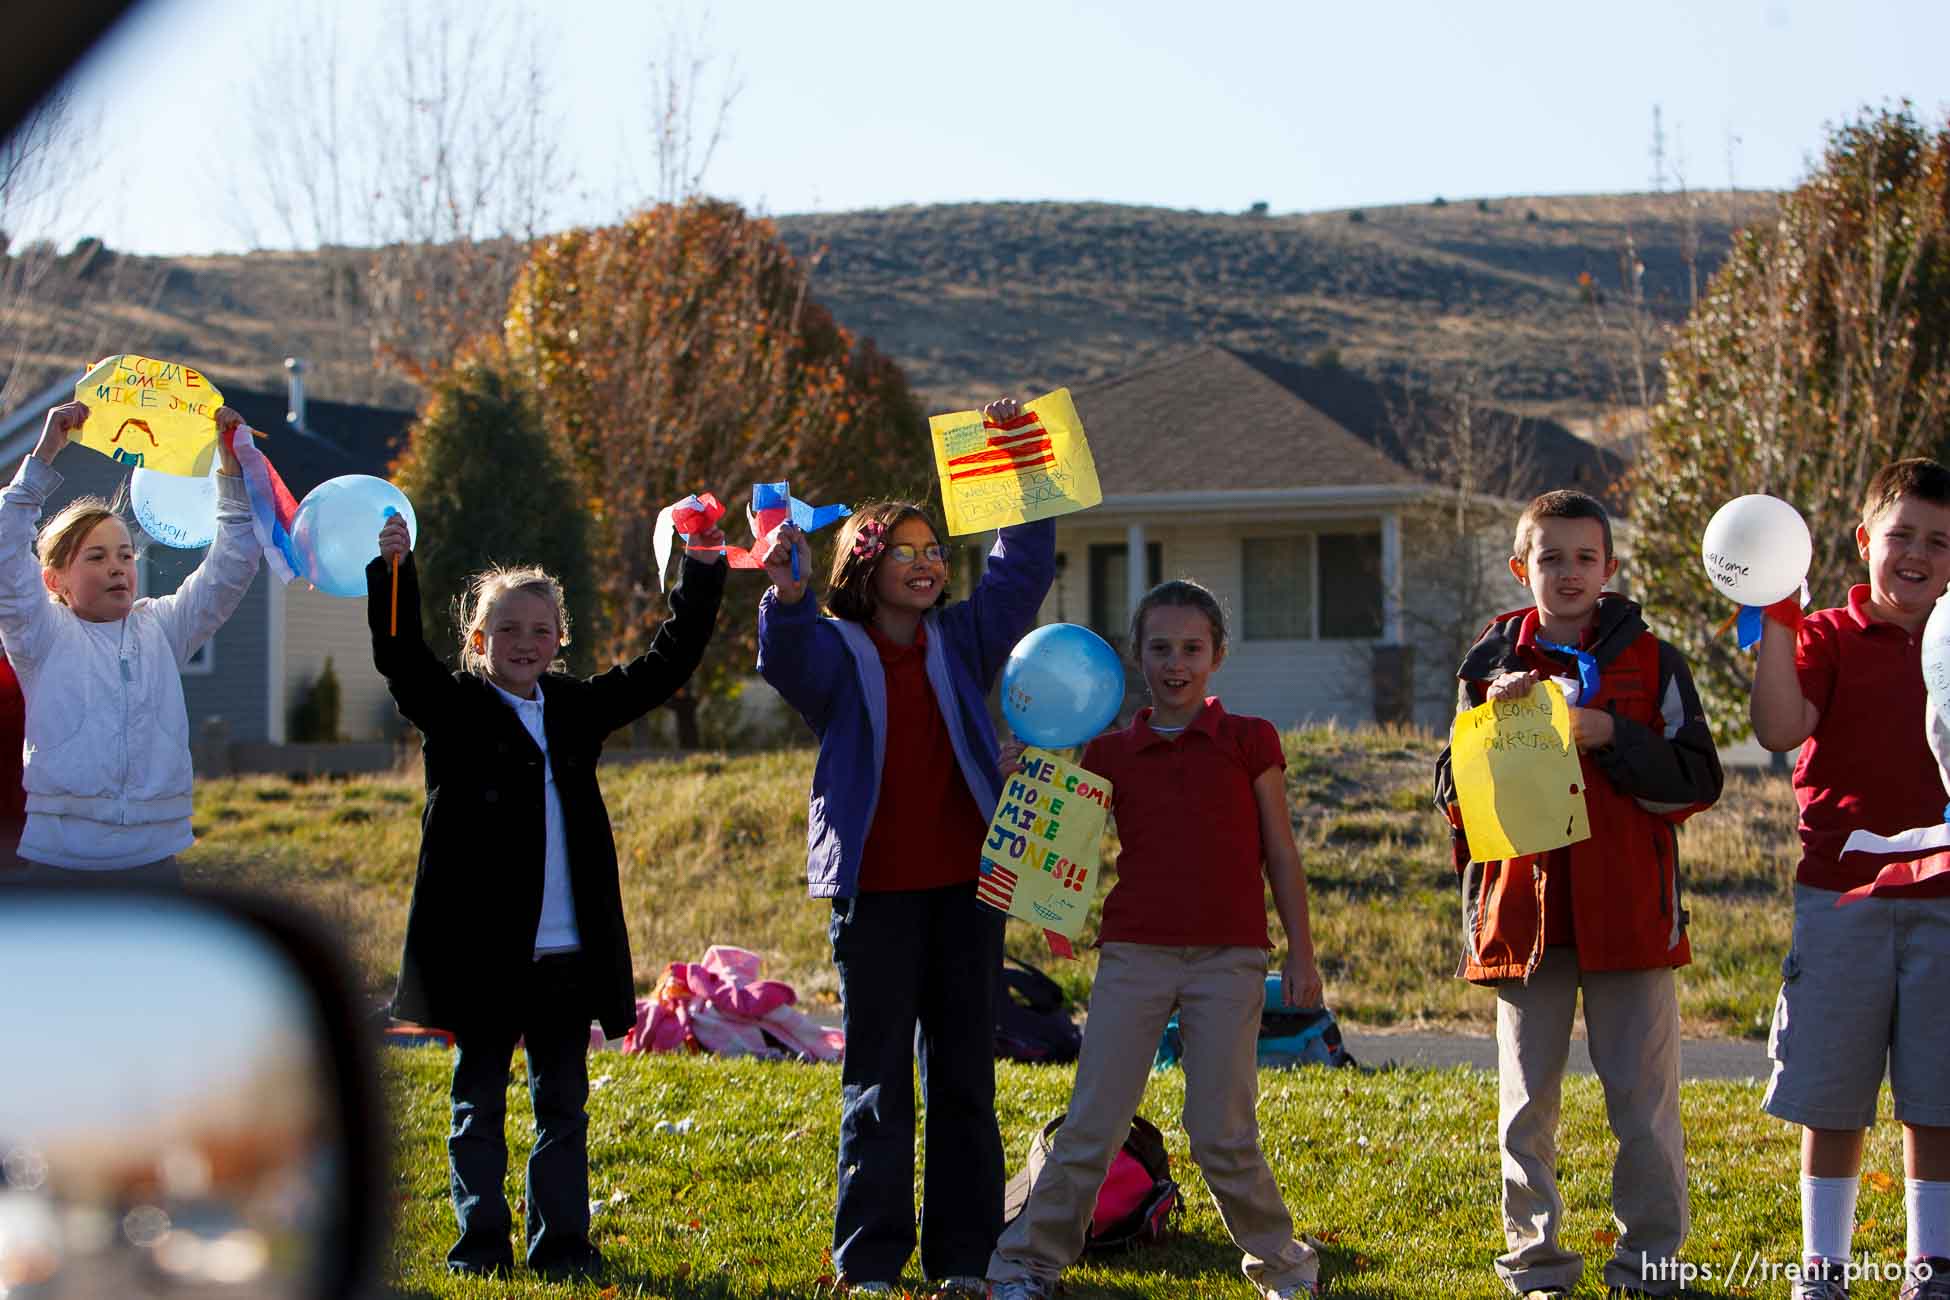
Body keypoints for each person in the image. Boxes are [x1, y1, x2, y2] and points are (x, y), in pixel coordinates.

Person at [367, 509, 726, 1281]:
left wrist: (700, 574)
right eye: (508, 629)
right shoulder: (454, 710)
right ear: (478, 640)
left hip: (568, 954)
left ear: (561, 638)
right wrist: (394, 569)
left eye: (541, 629)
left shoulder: (574, 709)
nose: (525, 642)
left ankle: (562, 1246)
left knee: (563, 1110)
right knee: (478, 1109)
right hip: (484, 957)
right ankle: (480, 1248)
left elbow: (665, 666)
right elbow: (399, 656)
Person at [755, 398, 1056, 1297]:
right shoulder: (834, 650)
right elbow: (788, 658)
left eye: (935, 552)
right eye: (905, 551)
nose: (926, 565)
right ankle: (871, 1261)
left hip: (970, 894)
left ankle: (964, 1261)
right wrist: (785, 592)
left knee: (965, 1079)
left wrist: (1016, 463)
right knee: (878, 1082)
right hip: (875, 897)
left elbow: (1019, 570)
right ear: (864, 564)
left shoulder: (963, 640)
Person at [987, 578, 1326, 1300]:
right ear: (1135, 657)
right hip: (1133, 955)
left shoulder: (1249, 740)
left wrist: (1302, 953)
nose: (1177, 662)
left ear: (1217, 655)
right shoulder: (1109, 751)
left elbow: (1282, 855)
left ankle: (1286, 1269)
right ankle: (1024, 1266)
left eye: (1192, 648)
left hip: (1229, 959)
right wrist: (1025, 779)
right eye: (1161, 647)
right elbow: (1057, 841)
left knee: (1221, 1134)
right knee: (1091, 1126)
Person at [1433, 488, 1723, 1300]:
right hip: (1525, 919)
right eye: (1549, 558)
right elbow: (1450, 792)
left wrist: (1610, 735)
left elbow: (1698, 781)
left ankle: (1653, 1268)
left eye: (1584, 558)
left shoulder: (1655, 662)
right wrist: (1492, 734)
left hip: (1630, 915)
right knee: (1527, 1110)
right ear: (1521, 567)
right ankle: (1537, 1270)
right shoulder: (1485, 664)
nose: (1567, 573)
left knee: (1644, 1107)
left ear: (1611, 568)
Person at [1749, 459, 1950, 1300]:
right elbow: (1778, 726)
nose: (1918, 555)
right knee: (1833, 1096)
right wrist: (1776, 629)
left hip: (1945, 900)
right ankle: (1823, 1266)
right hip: (1841, 896)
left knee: (1937, 1097)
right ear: (1866, 540)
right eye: (1901, 534)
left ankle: (1931, 1264)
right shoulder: (1825, 634)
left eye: (1940, 544)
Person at [0, 399, 260, 885]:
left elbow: (232, 567)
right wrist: (43, 456)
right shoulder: (41, 636)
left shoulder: (162, 629)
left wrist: (229, 472)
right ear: (55, 581)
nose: (118, 566)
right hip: (60, 864)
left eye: (125, 555)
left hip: (155, 863)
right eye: (95, 557)